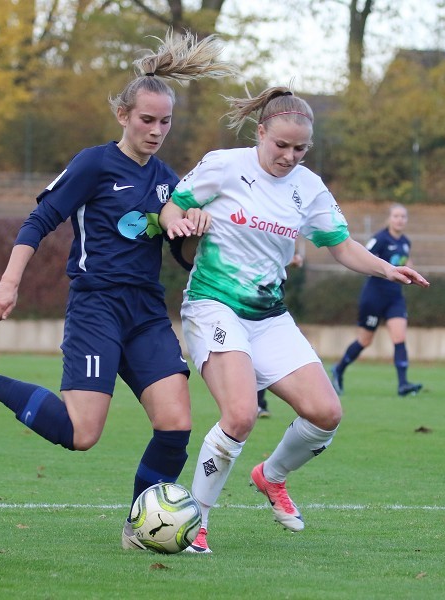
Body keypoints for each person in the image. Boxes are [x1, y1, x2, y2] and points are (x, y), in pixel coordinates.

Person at [0, 31, 236, 550]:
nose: (156, 131)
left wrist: (193, 229)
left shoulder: (169, 181)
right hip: (97, 307)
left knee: (176, 424)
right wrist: (9, 280)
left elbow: (182, 255)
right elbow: (41, 218)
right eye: (146, 120)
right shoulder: (94, 163)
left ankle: (140, 529)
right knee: (82, 434)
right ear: (123, 116)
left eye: (165, 122)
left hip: (147, 311)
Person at [160, 86, 429, 554]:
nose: (289, 156)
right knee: (240, 415)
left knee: (326, 413)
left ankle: (272, 475)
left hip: (269, 315)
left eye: (299, 148)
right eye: (280, 145)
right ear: (260, 132)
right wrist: (179, 221)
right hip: (213, 304)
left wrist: (387, 269)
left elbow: (341, 245)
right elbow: (174, 204)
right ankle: (195, 525)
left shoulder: (309, 187)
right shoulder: (224, 164)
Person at [330, 203, 423, 397]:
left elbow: (405, 262)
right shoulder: (380, 239)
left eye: (403, 217)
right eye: (396, 216)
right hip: (374, 297)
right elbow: (365, 256)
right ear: (389, 219)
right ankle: (339, 369)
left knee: (399, 337)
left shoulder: (406, 242)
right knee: (365, 340)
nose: (400, 220)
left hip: (395, 297)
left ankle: (403, 384)